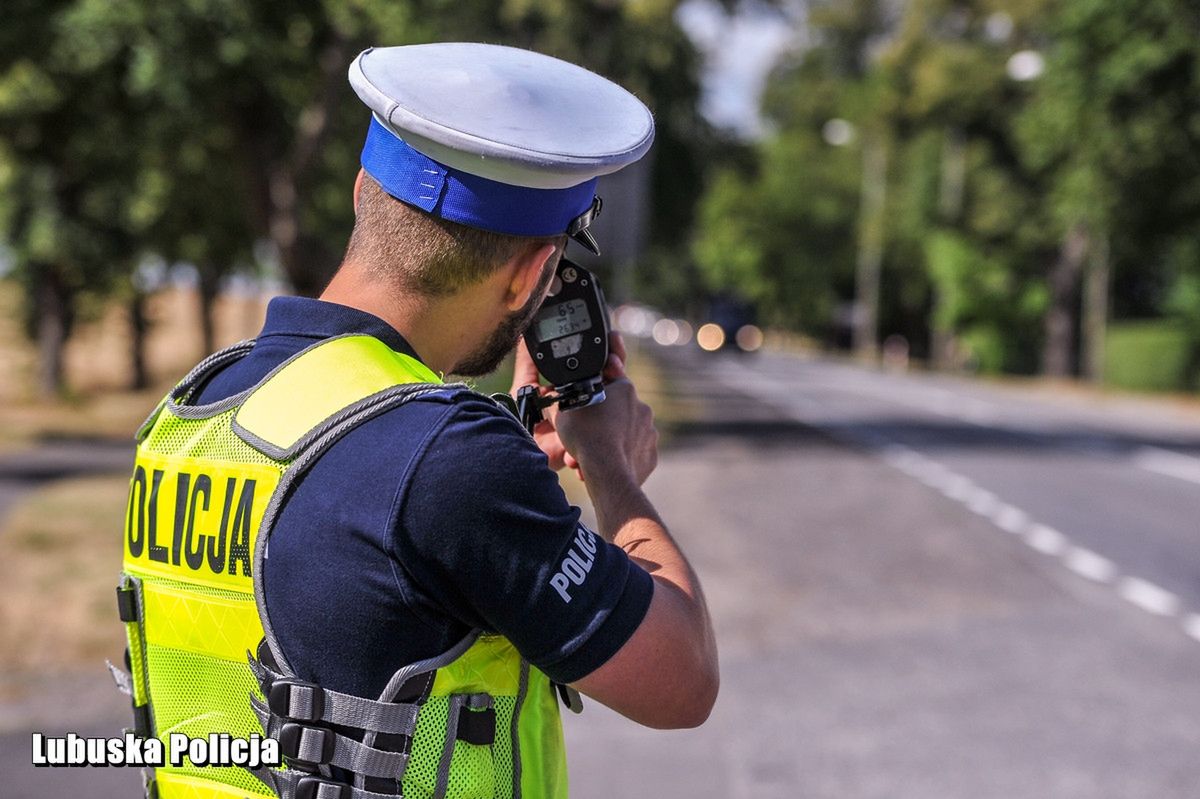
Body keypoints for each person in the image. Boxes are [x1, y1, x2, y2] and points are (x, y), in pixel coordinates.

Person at [116, 43, 716, 799]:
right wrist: (612, 466)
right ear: (531, 275)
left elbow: (350, 543)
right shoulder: (447, 462)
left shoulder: (193, 411)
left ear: (364, 192)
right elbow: (683, 678)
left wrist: (501, 443)